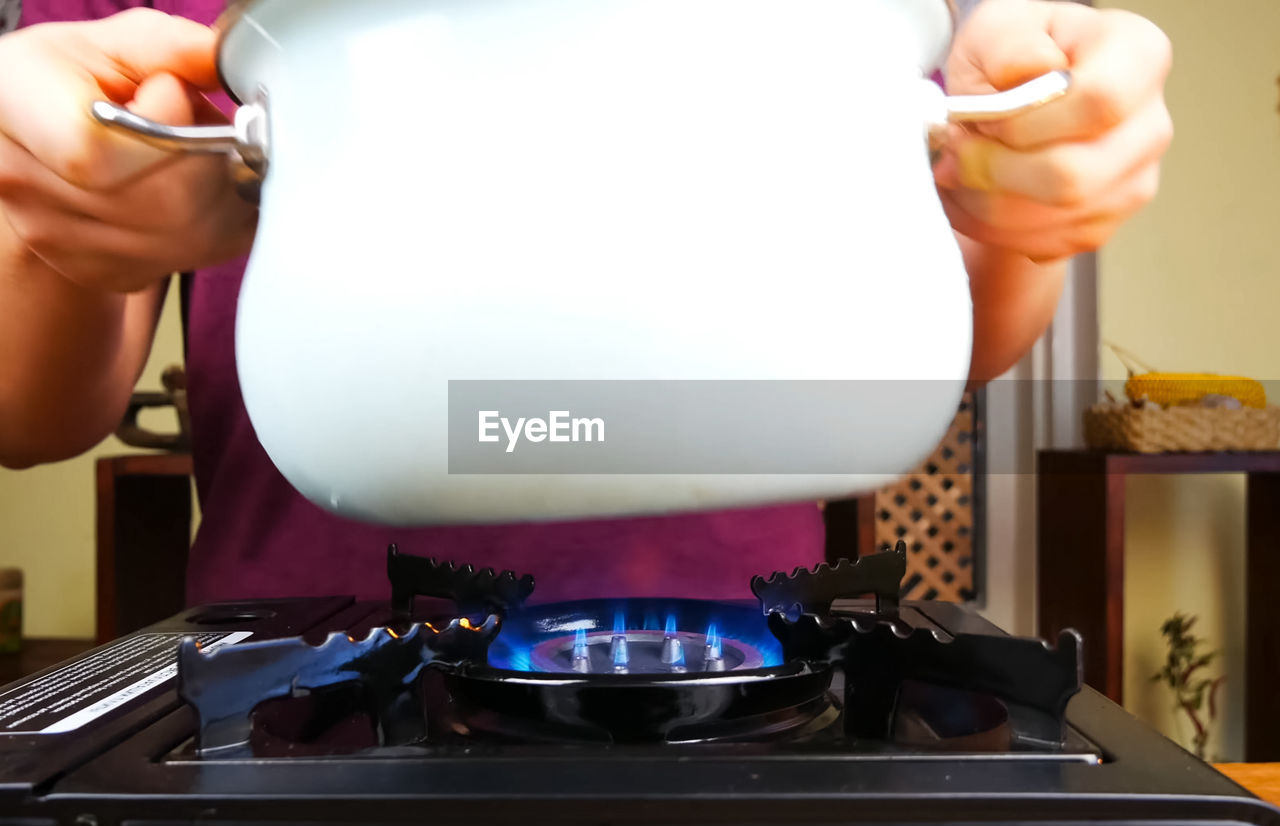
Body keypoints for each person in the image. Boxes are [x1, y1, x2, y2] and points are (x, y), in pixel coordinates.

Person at [0, 0, 1172, 604]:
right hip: (301, 669)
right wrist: (58, 230)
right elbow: (33, 414)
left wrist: (1028, 197)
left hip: (760, 660)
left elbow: (968, 333)